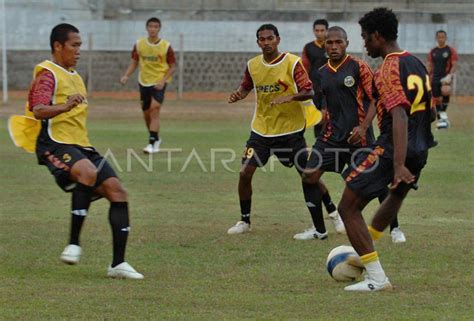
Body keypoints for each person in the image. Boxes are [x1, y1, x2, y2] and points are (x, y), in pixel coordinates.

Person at [26, 23, 143, 279]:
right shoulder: (47, 74)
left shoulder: (76, 76)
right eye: (74, 45)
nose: (79, 51)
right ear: (58, 46)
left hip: (82, 145)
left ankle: (118, 265)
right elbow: (38, 110)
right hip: (54, 142)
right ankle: (73, 244)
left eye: (80, 45)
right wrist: (65, 106)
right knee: (87, 173)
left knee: (118, 192)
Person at [337, 8, 435, 291]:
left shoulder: (388, 68)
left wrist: (398, 164)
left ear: (378, 36)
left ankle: (377, 278)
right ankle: (362, 254)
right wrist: (416, 152)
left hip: (395, 150)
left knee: (348, 206)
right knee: (395, 196)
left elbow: (400, 115)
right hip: (419, 148)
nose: (364, 44)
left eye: (366, 37)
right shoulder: (415, 63)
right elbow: (429, 111)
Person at [226, 24, 344, 239]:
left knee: (309, 176)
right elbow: (246, 87)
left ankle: (334, 213)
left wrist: (289, 97)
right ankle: (244, 220)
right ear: (258, 42)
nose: (266, 42)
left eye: (270, 38)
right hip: (261, 130)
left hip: (290, 132)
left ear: (278, 39)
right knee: (244, 173)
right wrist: (238, 95)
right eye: (262, 39)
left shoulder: (292, 63)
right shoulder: (253, 65)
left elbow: (308, 91)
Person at [298, 26, 406, 243]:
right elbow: (326, 103)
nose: (334, 46)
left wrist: (364, 127)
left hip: (360, 139)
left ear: (347, 43)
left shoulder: (359, 67)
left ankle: (395, 229)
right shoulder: (321, 73)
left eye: (339, 42)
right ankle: (319, 230)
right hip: (330, 138)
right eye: (330, 43)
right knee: (309, 176)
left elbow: (375, 98)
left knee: (376, 184)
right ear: (325, 45)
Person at [120, 17, 176, 153]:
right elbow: (134, 62)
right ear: (147, 28)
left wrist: (163, 81)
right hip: (144, 81)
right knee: (146, 114)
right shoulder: (139, 45)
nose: (153, 29)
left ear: (159, 29)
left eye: (156, 27)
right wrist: (126, 75)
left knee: (154, 109)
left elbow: (172, 66)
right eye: (150, 26)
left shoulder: (166, 46)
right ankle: (155, 137)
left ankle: (151, 144)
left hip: (158, 82)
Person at [302, 19, 329, 138]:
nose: (319, 33)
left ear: (326, 31)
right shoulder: (308, 47)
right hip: (314, 86)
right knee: (316, 116)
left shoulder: (332, 46)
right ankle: (319, 143)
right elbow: (304, 67)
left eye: (322, 30)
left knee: (328, 114)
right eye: (317, 30)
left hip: (329, 86)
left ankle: (328, 142)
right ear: (313, 31)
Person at [427, 30, 458, 129]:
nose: (441, 39)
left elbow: (454, 64)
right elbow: (430, 66)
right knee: (436, 99)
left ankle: (442, 116)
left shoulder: (450, 50)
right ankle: (442, 119)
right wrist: (427, 76)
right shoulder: (433, 51)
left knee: (445, 90)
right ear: (436, 38)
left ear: (445, 38)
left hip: (445, 77)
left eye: (442, 37)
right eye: (439, 37)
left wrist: (450, 76)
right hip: (435, 78)